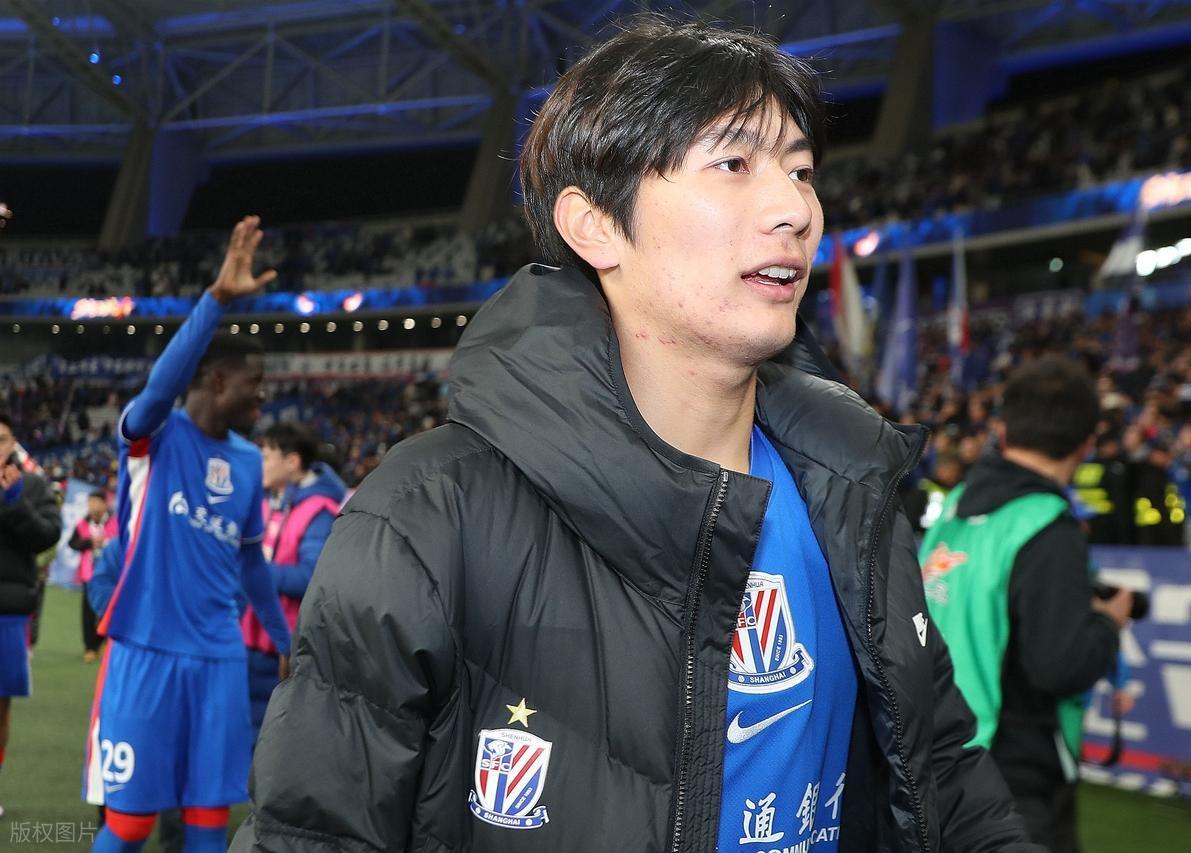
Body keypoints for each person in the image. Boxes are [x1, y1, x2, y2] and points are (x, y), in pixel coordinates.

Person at [235, 19, 1040, 853]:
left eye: (801, 170)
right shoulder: (427, 514)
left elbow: (941, 775)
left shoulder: (853, 490)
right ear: (593, 225)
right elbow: (312, 833)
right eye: (733, 164)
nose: (795, 208)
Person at [84, 216, 292, 853]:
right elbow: (160, 387)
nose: (262, 400)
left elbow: (252, 563)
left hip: (219, 659)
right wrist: (216, 300)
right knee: (130, 824)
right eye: (254, 387)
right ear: (218, 381)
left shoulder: (249, 463)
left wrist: (284, 640)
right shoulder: (153, 436)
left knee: (207, 823)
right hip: (145, 649)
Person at [919, 355, 1132, 853]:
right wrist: (1108, 624)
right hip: (1011, 770)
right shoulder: (1045, 525)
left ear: (1001, 430)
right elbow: (1058, 665)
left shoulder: (954, 509)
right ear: (1087, 442)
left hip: (937, 751)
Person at [242, 422, 344, 741]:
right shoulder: (270, 501)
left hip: (285, 649)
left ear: (292, 462)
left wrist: (253, 570)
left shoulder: (319, 511)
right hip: (250, 638)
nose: (260, 464)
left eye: (266, 456)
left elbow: (311, 576)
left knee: (271, 738)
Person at [0, 414, 62, 820]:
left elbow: (47, 535)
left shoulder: (34, 486)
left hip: (8, 611)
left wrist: (13, 502)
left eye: (2, 438)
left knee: (0, 708)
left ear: (13, 443)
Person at [69, 489, 117, 662]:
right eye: (90, 502)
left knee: (110, 610)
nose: (92, 506)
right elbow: (73, 543)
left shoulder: (116, 522)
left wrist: (106, 543)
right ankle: (91, 647)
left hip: (112, 576)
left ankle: (108, 643)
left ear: (105, 504)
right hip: (89, 575)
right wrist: (89, 542)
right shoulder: (82, 524)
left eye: (96, 502)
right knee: (88, 614)